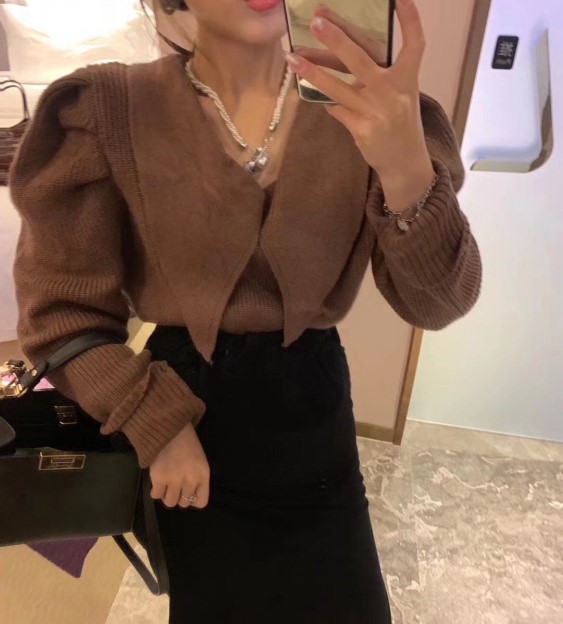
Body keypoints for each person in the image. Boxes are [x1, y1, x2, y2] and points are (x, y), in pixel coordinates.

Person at [9, 0, 482, 621]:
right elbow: (60, 316)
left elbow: (439, 303)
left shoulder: (371, 110)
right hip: (186, 429)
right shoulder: (106, 111)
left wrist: (405, 168)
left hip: (315, 427)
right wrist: (155, 421)